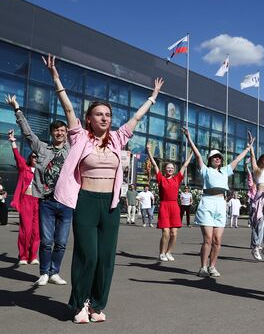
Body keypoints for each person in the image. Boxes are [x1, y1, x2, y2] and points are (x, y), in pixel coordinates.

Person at [44, 54, 164, 323]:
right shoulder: (80, 137)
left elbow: (137, 117)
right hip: (86, 201)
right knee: (88, 254)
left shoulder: (117, 140)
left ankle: (97, 305)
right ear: (89, 119)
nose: (105, 118)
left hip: (110, 205)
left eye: (108, 114)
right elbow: (68, 110)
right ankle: (80, 304)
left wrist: (153, 96)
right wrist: (55, 78)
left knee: (106, 258)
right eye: (99, 114)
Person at [6, 93, 71, 286]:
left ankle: (55, 272)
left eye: (62, 130)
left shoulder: (71, 150)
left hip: (66, 202)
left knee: (61, 242)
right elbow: (27, 133)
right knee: (46, 240)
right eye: (56, 130)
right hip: (46, 201)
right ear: (51, 133)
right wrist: (17, 109)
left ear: (66, 133)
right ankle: (44, 272)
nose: (59, 133)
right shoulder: (42, 149)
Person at [182, 127, 251, 278]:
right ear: (210, 159)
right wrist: (189, 138)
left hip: (221, 204)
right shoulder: (205, 170)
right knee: (207, 239)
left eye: (219, 157)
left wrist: (247, 148)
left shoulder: (225, 170)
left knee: (217, 240)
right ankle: (203, 267)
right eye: (214, 157)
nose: (217, 158)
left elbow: (237, 160)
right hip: (207, 202)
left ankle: (212, 266)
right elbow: (197, 154)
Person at [147, 144, 192, 262]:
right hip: (164, 206)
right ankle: (161, 253)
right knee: (166, 232)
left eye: (172, 168)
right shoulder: (161, 178)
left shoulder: (177, 178)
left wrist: (192, 154)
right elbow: (154, 164)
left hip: (174, 207)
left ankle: (169, 252)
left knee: (174, 233)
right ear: (165, 169)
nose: (170, 169)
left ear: (174, 170)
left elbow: (185, 165)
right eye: (168, 168)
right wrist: (148, 151)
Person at [7, 129, 39, 266]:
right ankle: (23, 256)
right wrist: (13, 141)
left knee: (36, 231)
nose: (35, 158)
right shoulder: (24, 168)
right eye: (33, 156)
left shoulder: (42, 171)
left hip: (39, 201)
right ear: (30, 158)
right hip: (26, 200)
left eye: (37, 157)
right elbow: (17, 157)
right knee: (26, 230)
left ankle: (33, 256)